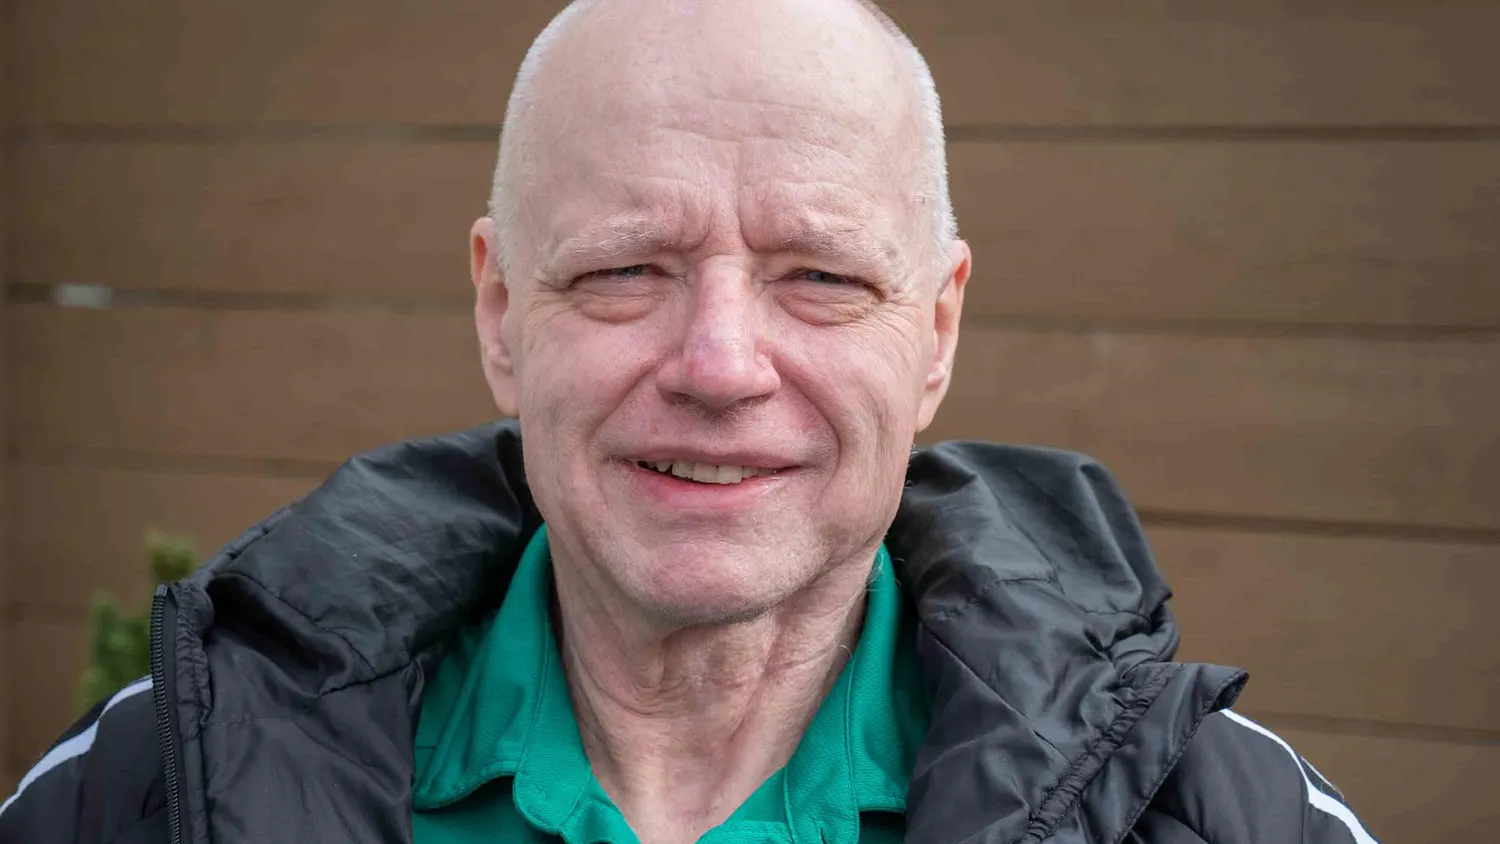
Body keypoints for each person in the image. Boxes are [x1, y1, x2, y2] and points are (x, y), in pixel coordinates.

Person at [1, 1, 1379, 842]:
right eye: (622, 270)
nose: (721, 362)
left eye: (822, 278)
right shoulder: (143, 789)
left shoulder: (1220, 818)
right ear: (497, 311)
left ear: (937, 329)